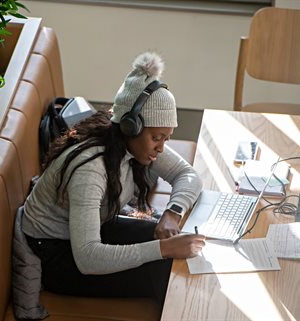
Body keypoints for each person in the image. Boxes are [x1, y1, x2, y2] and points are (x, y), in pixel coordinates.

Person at [22, 51, 205, 310]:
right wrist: (162, 249)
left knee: (178, 251)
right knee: (165, 266)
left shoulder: (132, 143)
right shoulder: (90, 171)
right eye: (157, 138)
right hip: (58, 256)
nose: (162, 148)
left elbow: (187, 175)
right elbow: (87, 257)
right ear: (132, 126)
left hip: (96, 226)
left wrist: (173, 213)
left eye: (167, 138)